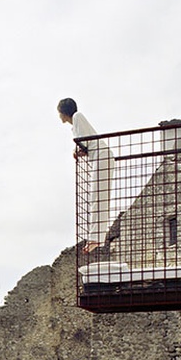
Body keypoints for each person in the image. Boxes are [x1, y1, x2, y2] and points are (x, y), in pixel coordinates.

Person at [57, 98, 114, 251]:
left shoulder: (77, 117)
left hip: (102, 157)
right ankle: (96, 238)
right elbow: (84, 143)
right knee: (97, 197)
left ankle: (95, 238)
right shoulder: (75, 123)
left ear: (63, 111)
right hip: (99, 158)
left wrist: (77, 150)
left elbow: (85, 142)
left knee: (98, 197)